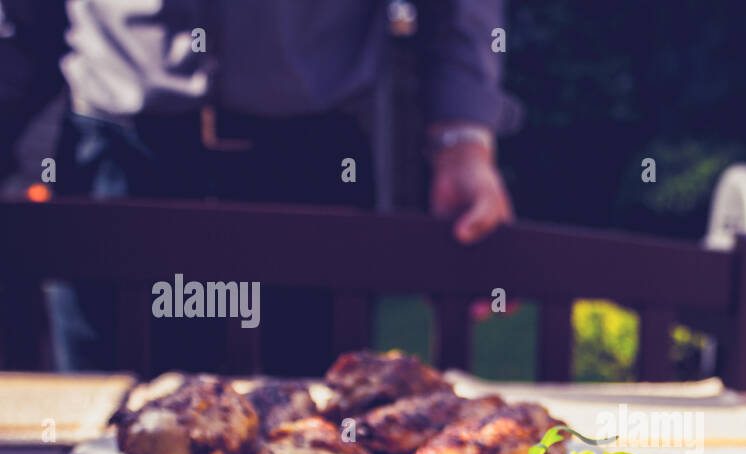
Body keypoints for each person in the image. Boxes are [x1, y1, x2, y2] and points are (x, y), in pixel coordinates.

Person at [38, 0, 517, 372]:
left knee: (314, 447)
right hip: (115, 164)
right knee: (99, 443)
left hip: (310, 169)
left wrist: (463, 140)